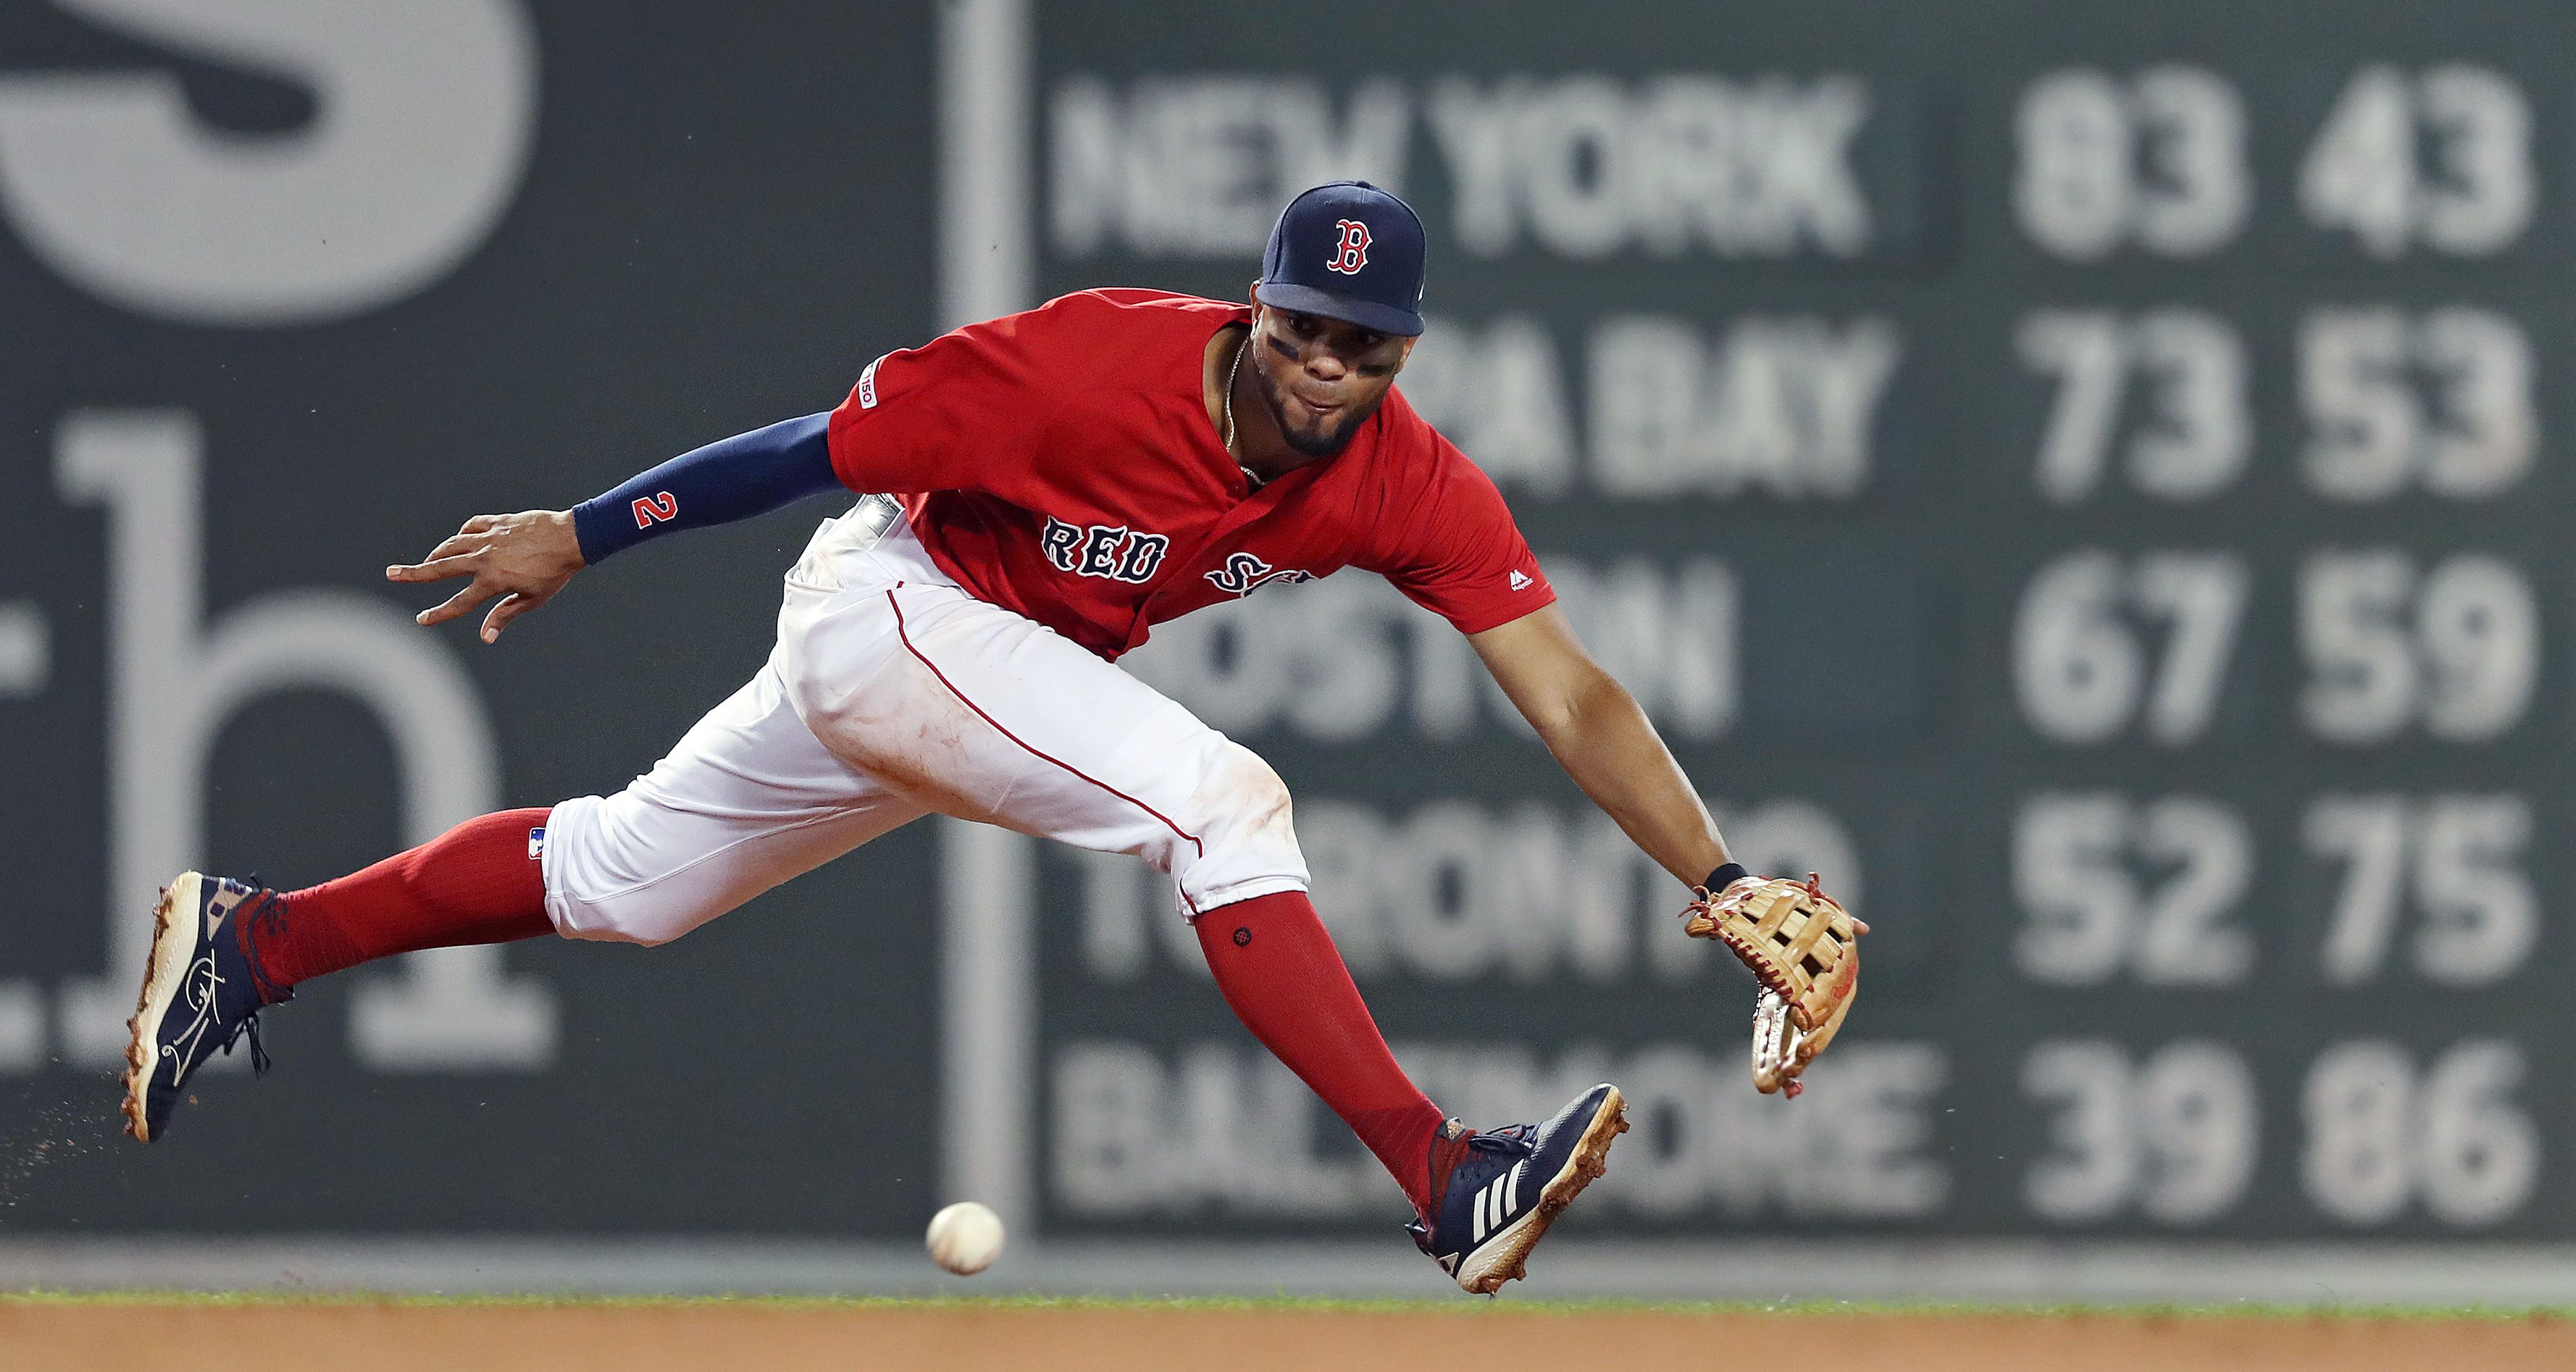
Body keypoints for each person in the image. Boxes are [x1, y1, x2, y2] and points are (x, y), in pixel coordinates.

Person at [120, 182, 1819, 1294]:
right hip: (897, 601)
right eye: (1302, 326)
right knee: (1225, 802)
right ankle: (1443, 1171)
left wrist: (1720, 870)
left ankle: (256, 943)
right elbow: (810, 447)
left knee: (621, 878)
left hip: (966, 662)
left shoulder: (1403, 477)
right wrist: (584, 523)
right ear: (1257, 308)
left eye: (1361, 346)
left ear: (1402, 353)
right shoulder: (1083, 367)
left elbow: (1568, 687)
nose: (1323, 366)